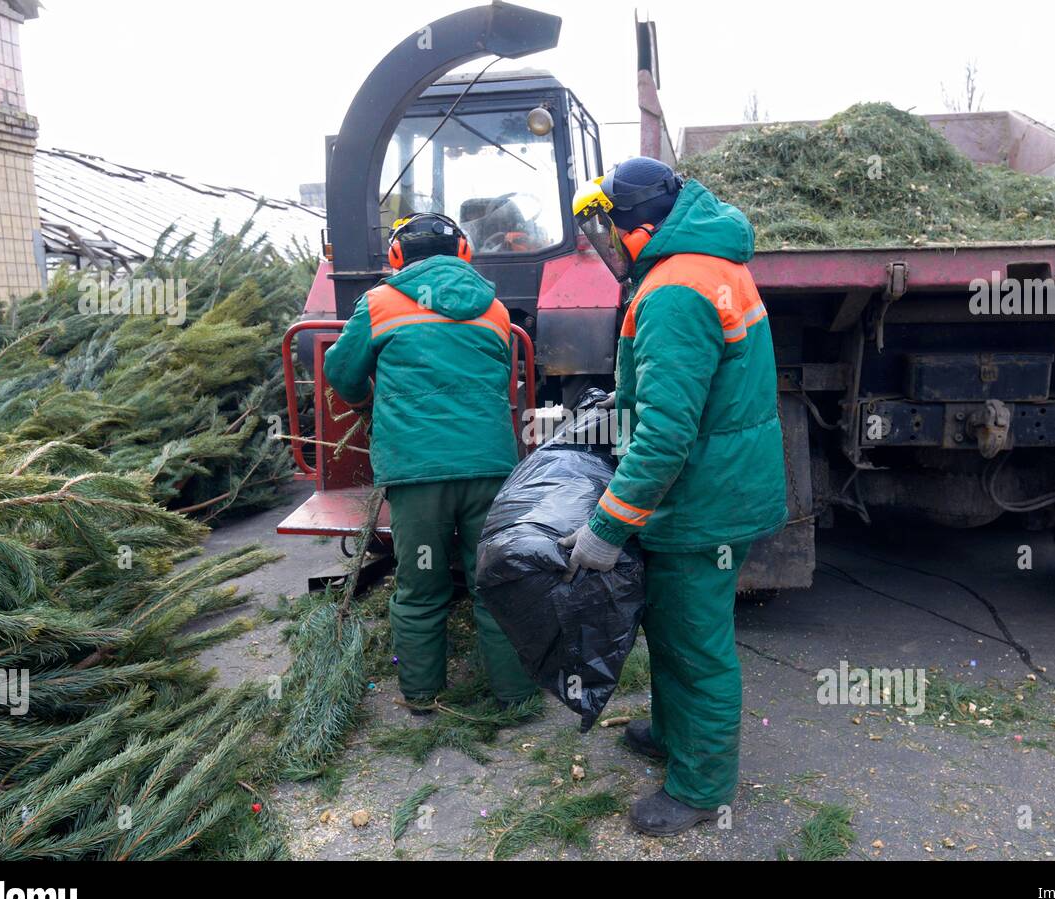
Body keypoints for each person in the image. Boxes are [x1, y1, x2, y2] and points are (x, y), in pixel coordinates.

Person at [566, 158, 787, 835]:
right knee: (668, 622)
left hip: (701, 505)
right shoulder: (707, 261)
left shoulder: (671, 291)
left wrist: (605, 528)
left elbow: (664, 436)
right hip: (717, 486)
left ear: (639, 227)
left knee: (696, 645)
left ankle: (700, 788)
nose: (608, 248)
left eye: (609, 232)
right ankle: (671, 731)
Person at [323, 213, 536, 710]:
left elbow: (342, 370)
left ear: (395, 257)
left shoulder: (378, 304)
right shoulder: (496, 309)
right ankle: (517, 695)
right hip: (489, 467)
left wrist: (362, 402)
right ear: (464, 252)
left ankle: (421, 695)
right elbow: (500, 375)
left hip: (417, 475)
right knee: (494, 582)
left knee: (421, 584)